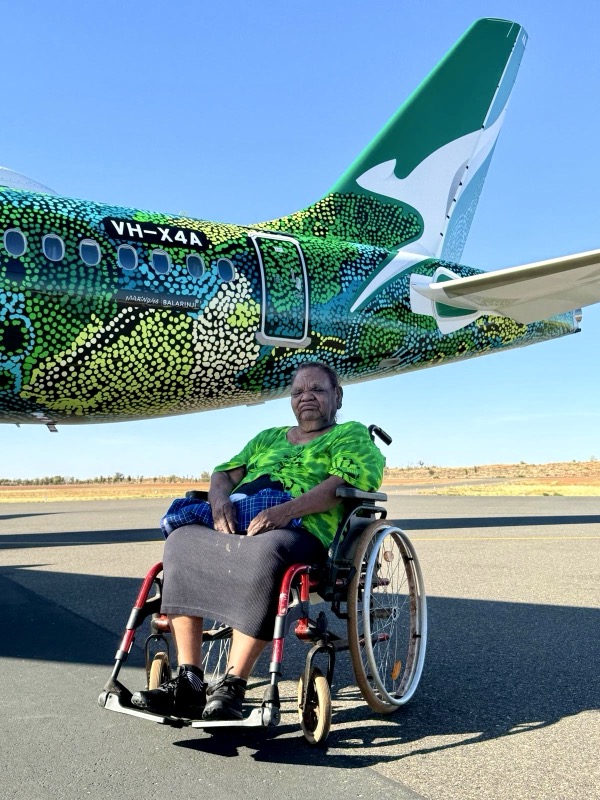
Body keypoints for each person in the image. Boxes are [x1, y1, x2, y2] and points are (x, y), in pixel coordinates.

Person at [132, 361, 385, 720]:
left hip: (299, 529)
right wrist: (219, 503)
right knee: (182, 541)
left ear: (337, 396)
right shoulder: (268, 437)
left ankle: (233, 685)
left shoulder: (350, 436)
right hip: (242, 517)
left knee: (265, 552)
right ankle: (189, 680)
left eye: (316, 390)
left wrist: (284, 511)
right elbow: (224, 473)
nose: (306, 397)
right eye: (298, 392)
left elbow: (341, 483)